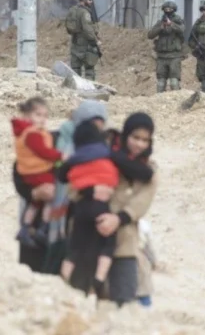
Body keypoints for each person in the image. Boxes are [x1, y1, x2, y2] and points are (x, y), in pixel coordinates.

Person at [96, 112, 158, 307]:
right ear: (126, 135)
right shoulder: (103, 157)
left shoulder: (149, 170)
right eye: (135, 137)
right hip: (94, 234)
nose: (139, 144)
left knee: (126, 300)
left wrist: (119, 219)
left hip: (125, 240)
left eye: (145, 140)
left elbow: (142, 201)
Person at [58, 120, 122, 299]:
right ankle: (99, 280)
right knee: (108, 244)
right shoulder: (107, 155)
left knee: (75, 247)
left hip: (82, 207)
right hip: (102, 208)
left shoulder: (76, 159)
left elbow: (62, 176)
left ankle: (64, 277)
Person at [11, 97, 65, 247]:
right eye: (38, 115)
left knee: (35, 204)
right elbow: (42, 153)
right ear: (27, 116)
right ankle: (43, 228)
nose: (42, 119)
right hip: (39, 177)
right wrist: (60, 156)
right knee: (49, 198)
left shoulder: (35, 134)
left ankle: (27, 228)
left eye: (45, 116)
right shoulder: (36, 135)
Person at [147, 1, 185, 92]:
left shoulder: (178, 21)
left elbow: (182, 30)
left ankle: (176, 98)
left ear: (174, 10)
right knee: (160, 83)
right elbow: (150, 35)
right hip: (162, 56)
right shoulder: (160, 22)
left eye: (170, 9)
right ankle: (160, 99)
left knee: (174, 82)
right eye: (166, 9)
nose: (168, 11)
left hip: (174, 56)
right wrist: (161, 27)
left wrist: (171, 24)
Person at [65, 0, 102, 80]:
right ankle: (88, 87)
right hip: (86, 46)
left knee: (75, 71)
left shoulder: (72, 10)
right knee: (89, 70)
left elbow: (68, 28)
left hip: (75, 45)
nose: (91, 2)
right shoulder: (85, 13)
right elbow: (88, 30)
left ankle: (75, 88)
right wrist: (95, 41)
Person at [136, 219, 157, 308]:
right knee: (144, 298)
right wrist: (153, 262)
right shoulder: (143, 224)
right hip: (140, 264)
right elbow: (148, 248)